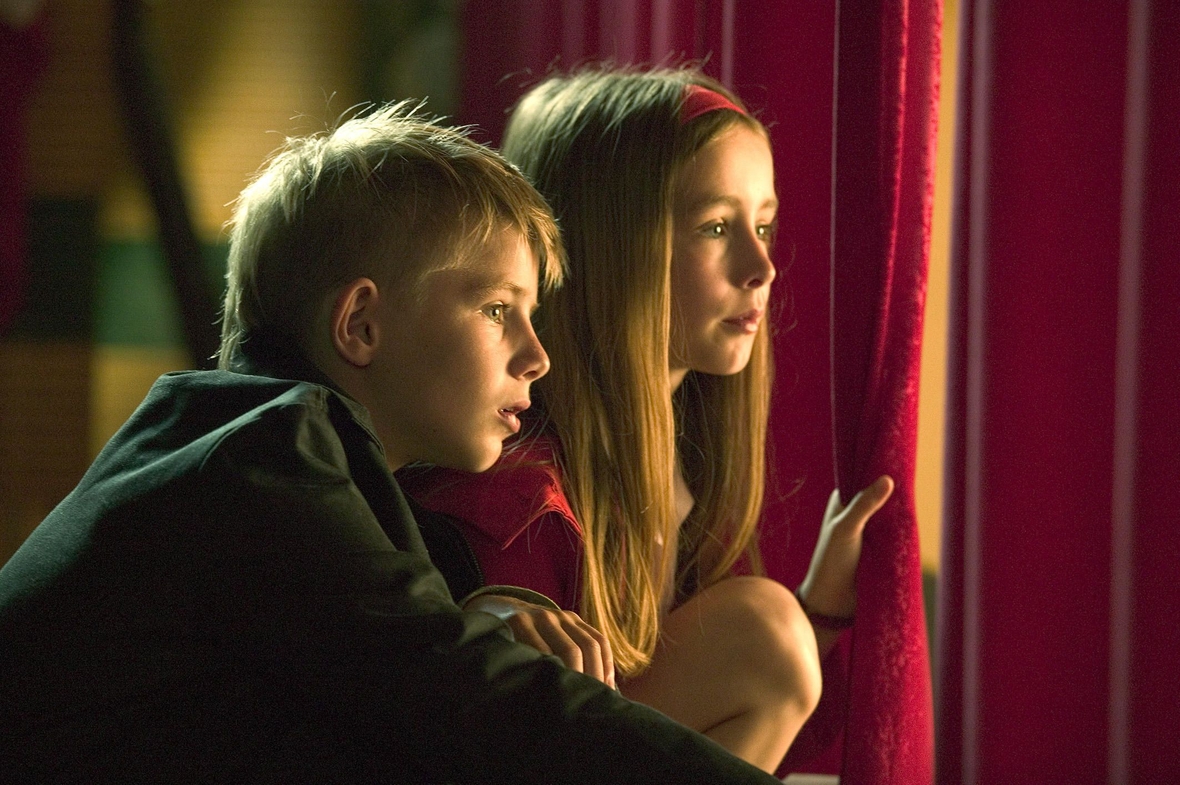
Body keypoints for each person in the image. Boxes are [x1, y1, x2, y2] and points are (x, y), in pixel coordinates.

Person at [0, 103, 785, 784]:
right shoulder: (264, 460)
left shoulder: (249, 440)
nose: (536, 356)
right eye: (495, 309)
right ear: (362, 325)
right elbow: (477, 698)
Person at [398, 69, 895, 774]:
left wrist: (820, 610)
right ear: (611, 248)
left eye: (764, 225)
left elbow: (741, 738)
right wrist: (789, 632)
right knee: (765, 631)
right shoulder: (513, 497)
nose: (762, 267)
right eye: (717, 226)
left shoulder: (681, 468)